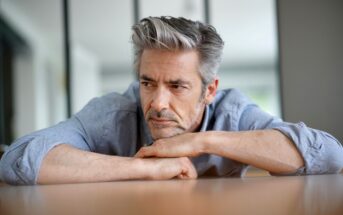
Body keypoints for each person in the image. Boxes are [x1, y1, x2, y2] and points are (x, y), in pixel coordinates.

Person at [0, 16, 342, 185]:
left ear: (209, 90)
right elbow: (19, 159)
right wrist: (147, 167)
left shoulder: (233, 112)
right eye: (148, 82)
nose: (158, 103)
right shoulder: (113, 112)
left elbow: (329, 154)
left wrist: (201, 141)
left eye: (177, 86)